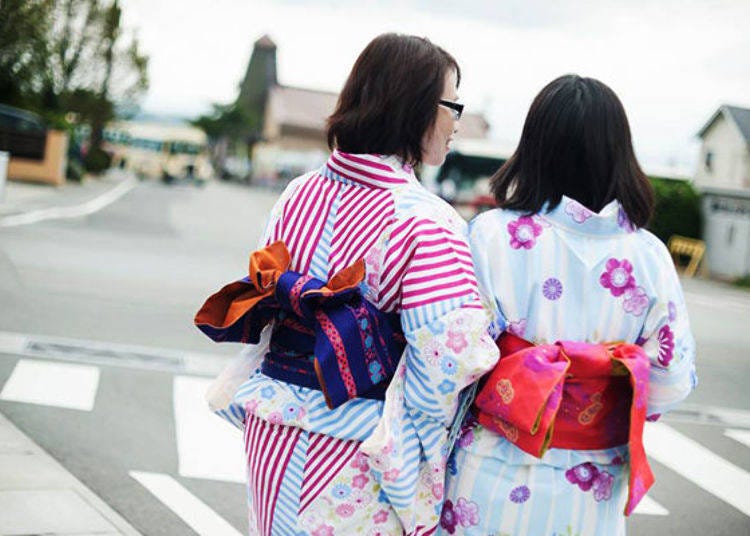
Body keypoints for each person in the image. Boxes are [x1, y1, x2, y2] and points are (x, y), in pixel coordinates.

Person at [195, 33, 498, 535]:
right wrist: (413, 448)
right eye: (453, 104)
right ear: (417, 107)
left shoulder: (298, 194)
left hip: (272, 423)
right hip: (356, 442)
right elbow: (447, 360)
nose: (456, 122)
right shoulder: (426, 220)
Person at [441, 75, 697, 535]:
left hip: (492, 471)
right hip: (591, 485)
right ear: (620, 152)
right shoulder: (649, 255)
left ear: (534, 148)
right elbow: (670, 381)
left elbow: (451, 359)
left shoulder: (492, 234)